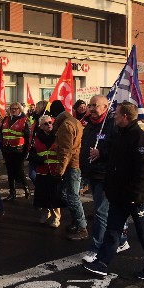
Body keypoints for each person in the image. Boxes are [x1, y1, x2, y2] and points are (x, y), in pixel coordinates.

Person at [84, 102, 144, 280]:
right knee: (112, 230)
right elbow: (114, 154)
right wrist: (100, 154)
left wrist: (137, 195)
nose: (115, 117)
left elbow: (143, 170)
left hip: (136, 196)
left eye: (117, 114)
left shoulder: (140, 136)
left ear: (125, 117)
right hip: (119, 194)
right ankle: (102, 263)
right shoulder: (121, 133)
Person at [79, 95, 129, 261]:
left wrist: (102, 153)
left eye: (96, 105)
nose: (92, 108)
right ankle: (121, 240)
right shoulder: (89, 124)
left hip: (105, 175)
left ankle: (96, 249)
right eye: (90, 105)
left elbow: (118, 148)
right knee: (107, 212)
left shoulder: (112, 124)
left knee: (100, 212)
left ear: (105, 107)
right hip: (93, 173)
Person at [50, 100, 88, 241]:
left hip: (71, 165)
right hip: (73, 163)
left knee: (71, 196)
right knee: (68, 194)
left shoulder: (65, 125)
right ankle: (76, 221)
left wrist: (60, 171)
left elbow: (66, 150)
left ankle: (82, 226)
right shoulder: (73, 121)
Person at [27, 114, 62, 228]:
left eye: (50, 122)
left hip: (54, 170)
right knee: (43, 194)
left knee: (55, 195)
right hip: (42, 170)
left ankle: (56, 217)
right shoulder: (36, 137)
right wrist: (37, 159)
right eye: (45, 124)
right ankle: (46, 213)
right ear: (41, 126)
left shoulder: (58, 136)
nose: (49, 125)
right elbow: (31, 153)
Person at [0, 102, 30, 202]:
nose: (12, 110)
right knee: (10, 172)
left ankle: (26, 188)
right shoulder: (6, 119)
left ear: (19, 109)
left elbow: (28, 138)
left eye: (15, 108)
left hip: (18, 150)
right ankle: (12, 193)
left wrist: (25, 153)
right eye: (11, 108)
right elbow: (1, 133)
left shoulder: (24, 120)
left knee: (19, 170)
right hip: (7, 150)